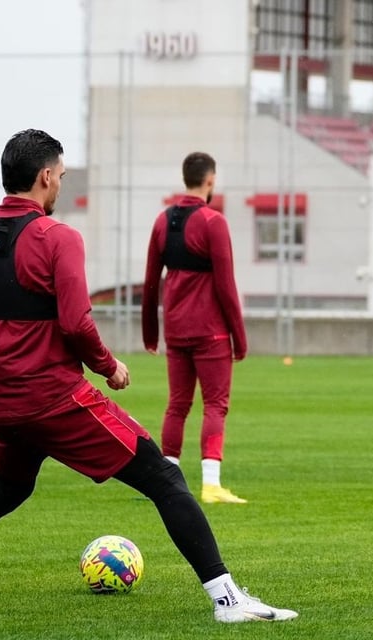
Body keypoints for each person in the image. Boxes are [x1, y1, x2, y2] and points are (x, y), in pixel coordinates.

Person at [0, 129, 294, 624]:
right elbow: (77, 322)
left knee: (8, 490)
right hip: (56, 399)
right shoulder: (59, 238)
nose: (60, 184)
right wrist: (110, 367)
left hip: (5, 406)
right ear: (44, 176)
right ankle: (227, 600)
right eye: (59, 176)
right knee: (166, 478)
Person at [141, 152, 249, 505]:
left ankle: (167, 481)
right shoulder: (213, 222)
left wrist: (149, 332)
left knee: (177, 405)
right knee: (215, 405)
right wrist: (239, 336)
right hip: (211, 332)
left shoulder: (163, 221)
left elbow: (150, 283)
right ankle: (212, 484)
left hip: (175, 328)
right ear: (210, 180)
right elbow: (226, 286)